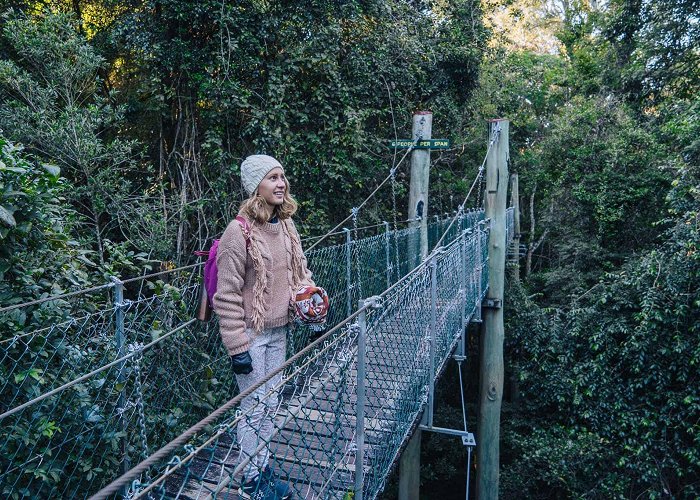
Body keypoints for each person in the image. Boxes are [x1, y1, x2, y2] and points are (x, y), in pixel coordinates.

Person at [214, 154, 313, 500]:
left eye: (282, 176)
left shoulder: (286, 226)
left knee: (270, 404)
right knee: (253, 406)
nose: (281, 183)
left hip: (279, 330)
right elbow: (225, 296)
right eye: (272, 178)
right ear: (256, 186)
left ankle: (262, 469)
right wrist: (237, 348)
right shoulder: (237, 232)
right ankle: (250, 479)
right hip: (251, 335)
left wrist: (311, 303)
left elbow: (299, 275)